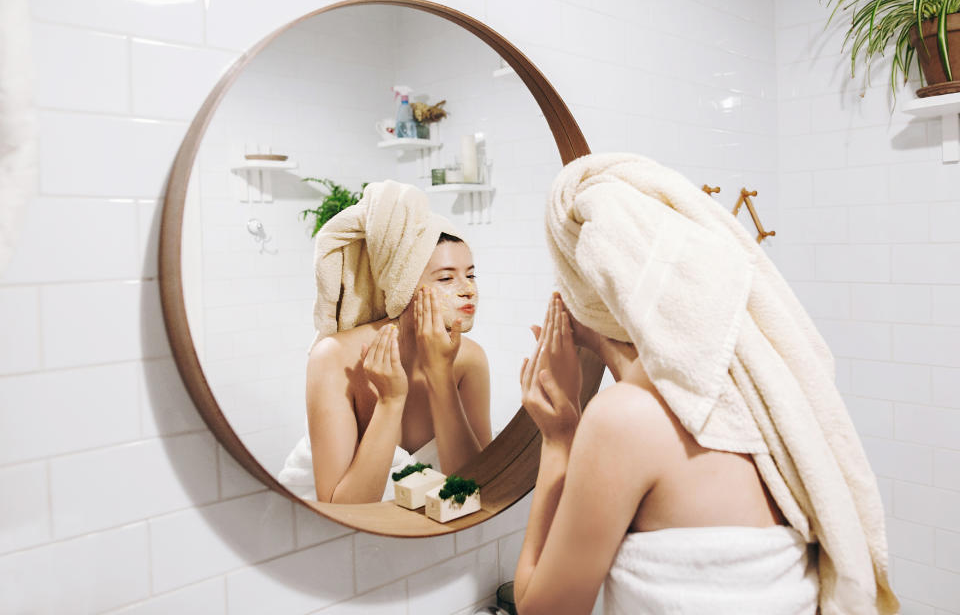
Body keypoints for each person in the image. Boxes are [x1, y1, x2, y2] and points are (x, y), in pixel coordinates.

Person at [513, 152, 896, 615]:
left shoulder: (624, 420)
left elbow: (543, 611)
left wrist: (558, 440)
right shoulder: (761, 400)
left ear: (581, 292)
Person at [278, 181, 491, 504]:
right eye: (446, 278)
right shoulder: (335, 357)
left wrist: (440, 377)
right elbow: (343, 509)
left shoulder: (469, 359)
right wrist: (390, 402)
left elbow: (476, 489)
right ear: (402, 286)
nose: (467, 290)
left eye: (471, 275)